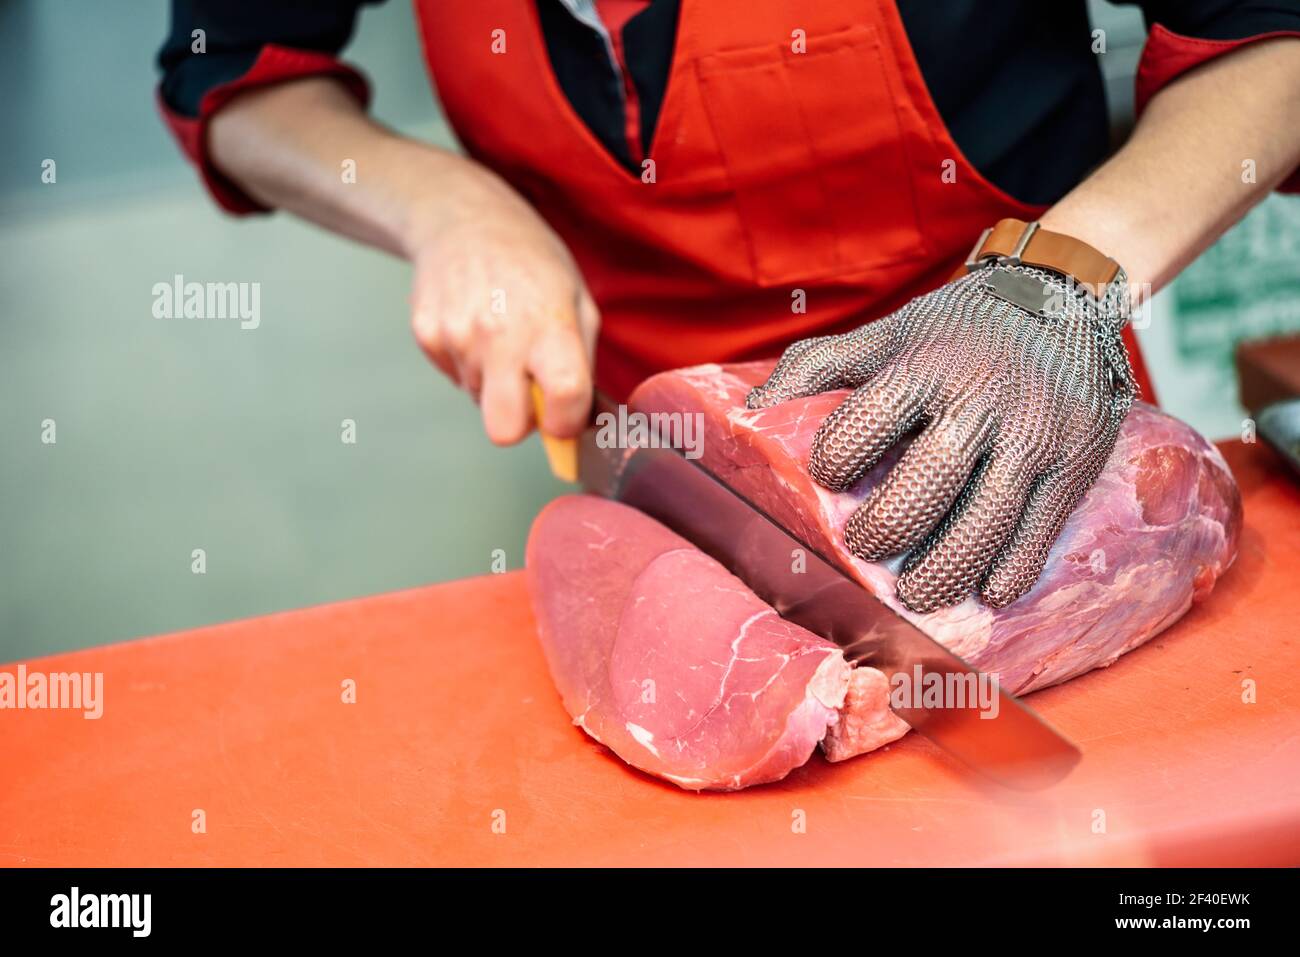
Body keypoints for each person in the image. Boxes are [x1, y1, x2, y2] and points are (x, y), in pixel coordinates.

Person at [156, 1, 1300, 610]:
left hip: (1013, 442)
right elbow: (235, 75)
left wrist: (1054, 288)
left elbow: (1270, 38)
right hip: (667, 475)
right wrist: (445, 209)